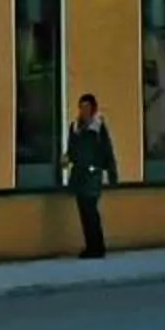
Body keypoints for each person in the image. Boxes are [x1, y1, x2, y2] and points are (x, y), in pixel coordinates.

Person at [65, 92, 119, 257]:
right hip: (79, 175)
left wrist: (112, 175)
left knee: (90, 210)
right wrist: (66, 159)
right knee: (84, 212)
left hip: (93, 174)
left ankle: (97, 247)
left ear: (93, 109)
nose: (84, 111)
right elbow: (72, 151)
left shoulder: (98, 128)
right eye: (81, 107)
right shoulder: (75, 127)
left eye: (87, 107)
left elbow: (107, 151)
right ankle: (90, 246)